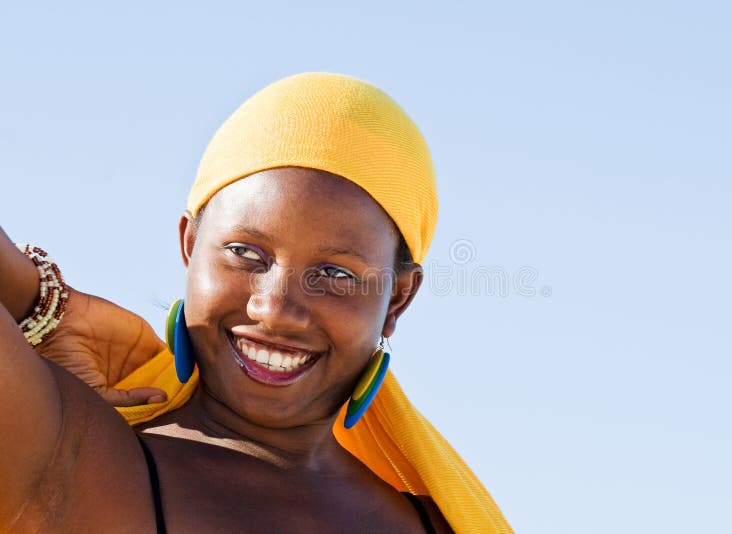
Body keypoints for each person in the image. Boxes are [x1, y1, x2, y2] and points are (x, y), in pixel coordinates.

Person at [0, 73, 511, 532]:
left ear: (397, 299)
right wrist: (39, 297)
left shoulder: (437, 524)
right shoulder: (69, 456)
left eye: (334, 274)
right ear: (189, 245)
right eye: (245, 252)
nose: (277, 309)